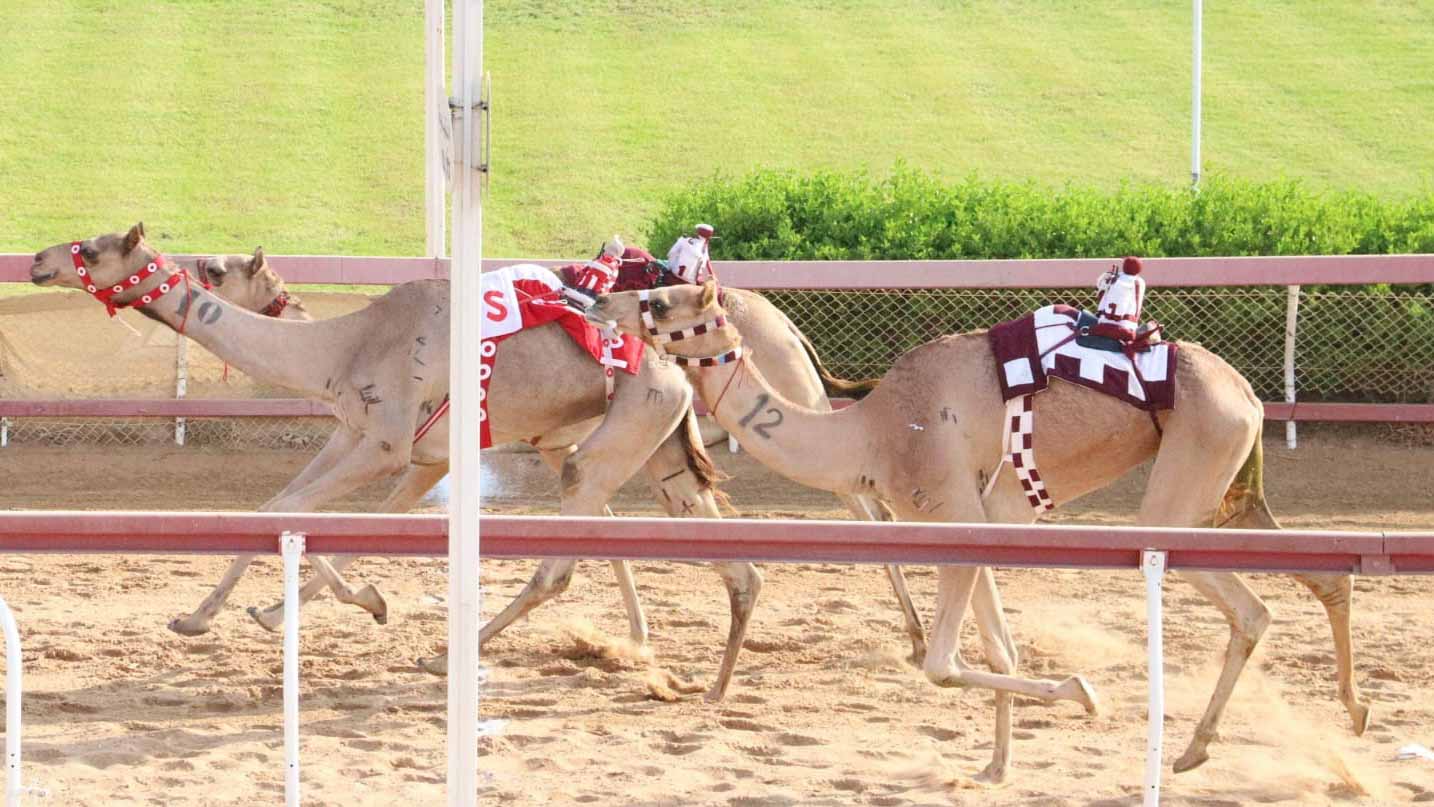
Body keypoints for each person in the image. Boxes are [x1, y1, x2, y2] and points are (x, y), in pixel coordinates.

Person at [1090, 255, 1146, 343]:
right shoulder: (1140, 282)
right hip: (1128, 325)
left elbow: (1099, 287)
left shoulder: (1116, 278)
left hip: (1103, 321)